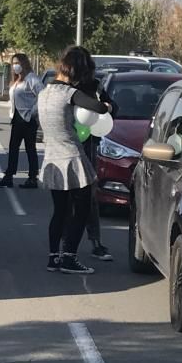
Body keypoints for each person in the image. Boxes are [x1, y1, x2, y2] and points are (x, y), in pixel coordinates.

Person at [38, 46, 110, 275]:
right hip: (72, 157)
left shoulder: (44, 93)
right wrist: (107, 105)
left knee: (59, 211)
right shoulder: (69, 94)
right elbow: (98, 107)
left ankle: (53, 258)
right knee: (81, 209)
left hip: (52, 158)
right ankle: (69, 257)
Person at [77, 75, 116, 262]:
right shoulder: (66, 87)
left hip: (90, 144)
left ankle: (95, 242)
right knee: (68, 198)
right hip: (69, 144)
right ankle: (63, 246)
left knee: (90, 196)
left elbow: (112, 106)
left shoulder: (95, 84)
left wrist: (107, 106)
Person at [0, 53, 43, 189]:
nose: (15, 66)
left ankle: (32, 178)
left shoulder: (31, 79)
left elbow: (42, 95)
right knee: (13, 148)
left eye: (18, 63)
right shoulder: (16, 80)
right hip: (16, 118)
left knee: (30, 149)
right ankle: (9, 176)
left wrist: (32, 112)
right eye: (13, 63)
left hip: (27, 119)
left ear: (24, 64)